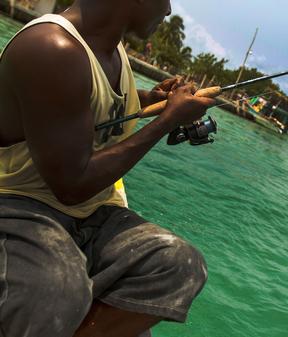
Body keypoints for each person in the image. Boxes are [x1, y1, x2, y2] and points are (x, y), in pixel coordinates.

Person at [0, 1, 218, 336]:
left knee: (181, 265)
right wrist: (166, 121)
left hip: (90, 211)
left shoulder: (111, 50)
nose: (170, 9)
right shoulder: (51, 49)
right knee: (59, 288)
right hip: (19, 203)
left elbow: (87, 103)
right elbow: (71, 185)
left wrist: (149, 98)